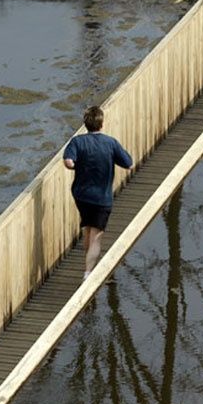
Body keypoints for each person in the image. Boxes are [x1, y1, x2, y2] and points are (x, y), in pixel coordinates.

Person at [63, 106, 133, 279]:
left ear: (86, 124)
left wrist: (76, 165)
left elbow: (69, 161)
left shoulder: (77, 142)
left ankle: (87, 266)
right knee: (96, 235)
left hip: (81, 195)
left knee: (88, 228)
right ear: (101, 124)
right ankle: (88, 272)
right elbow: (129, 164)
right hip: (102, 197)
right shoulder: (110, 143)